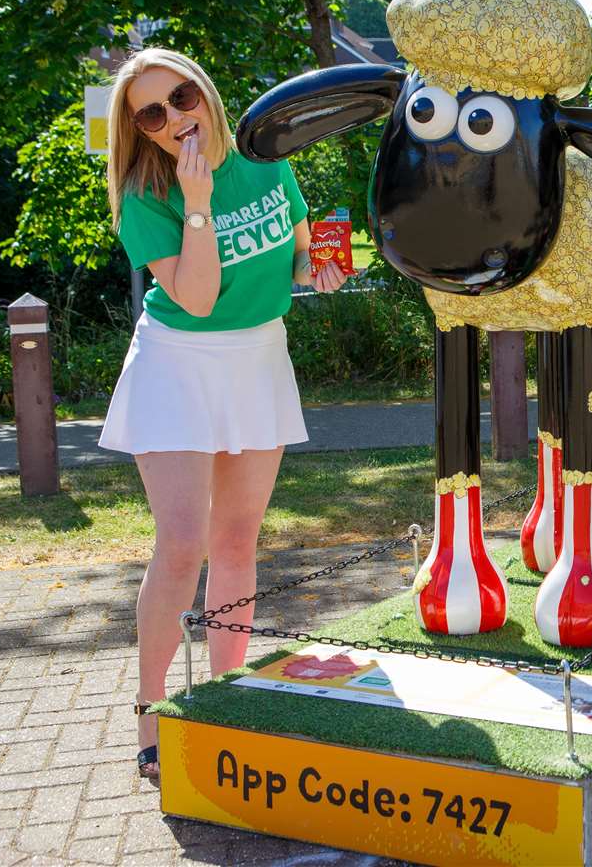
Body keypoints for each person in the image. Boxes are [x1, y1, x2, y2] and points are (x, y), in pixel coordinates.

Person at [97, 48, 346, 780]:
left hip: (258, 357)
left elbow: (297, 258)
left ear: (204, 92)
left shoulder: (269, 160)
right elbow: (199, 298)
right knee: (181, 547)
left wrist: (319, 270)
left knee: (237, 540)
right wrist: (197, 201)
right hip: (179, 363)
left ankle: (226, 696)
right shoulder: (146, 196)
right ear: (138, 130)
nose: (175, 117)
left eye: (181, 97)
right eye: (153, 112)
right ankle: (151, 716)